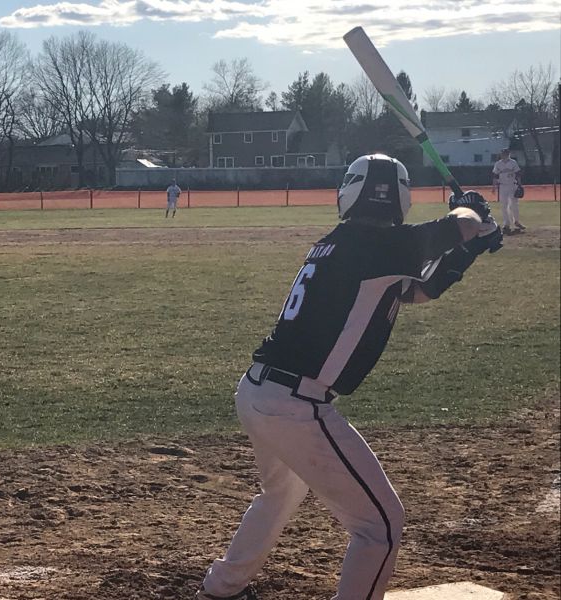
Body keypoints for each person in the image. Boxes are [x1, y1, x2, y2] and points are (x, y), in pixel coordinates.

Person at [195, 154, 502, 600]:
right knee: (381, 526)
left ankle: (221, 588)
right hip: (295, 406)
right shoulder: (376, 246)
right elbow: (457, 225)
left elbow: (419, 289)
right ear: (398, 198)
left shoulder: (347, 244)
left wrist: (469, 246)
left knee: (280, 495)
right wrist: (472, 212)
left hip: (261, 391)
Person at [492, 148, 523, 234]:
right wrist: (494, 187)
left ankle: (516, 221)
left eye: (506, 153)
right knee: (504, 206)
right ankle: (506, 224)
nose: (504, 155)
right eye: (503, 153)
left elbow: (518, 174)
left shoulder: (513, 162)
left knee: (514, 205)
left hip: (512, 185)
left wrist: (519, 185)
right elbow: (495, 176)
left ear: (508, 154)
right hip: (502, 186)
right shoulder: (498, 164)